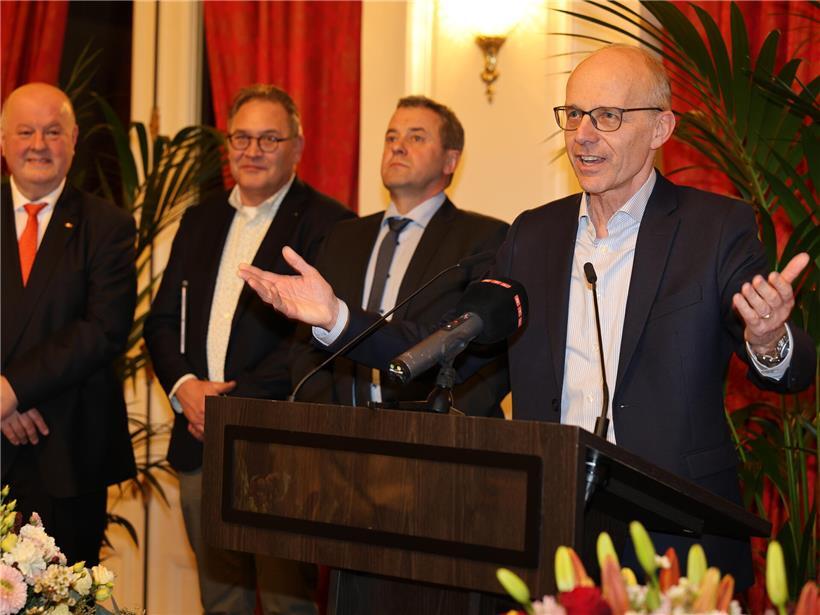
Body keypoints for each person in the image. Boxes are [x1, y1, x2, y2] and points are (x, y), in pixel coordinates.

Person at [237, 46, 816, 588]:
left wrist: (768, 339)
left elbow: (790, 372)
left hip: (678, 527)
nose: (583, 136)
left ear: (661, 128)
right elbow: (441, 344)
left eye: (608, 116)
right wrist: (336, 317)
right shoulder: (533, 234)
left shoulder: (716, 228)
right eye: (574, 114)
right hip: (554, 522)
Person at [143, 85, 353, 615]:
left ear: (297, 148)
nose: (253, 150)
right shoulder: (199, 219)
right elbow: (163, 321)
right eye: (242, 137)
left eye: (269, 138)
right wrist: (185, 388)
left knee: (288, 603)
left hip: (277, 441)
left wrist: (228, 405)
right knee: (220, 600)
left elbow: (312, 344)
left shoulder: (331, 224)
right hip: (197, 436)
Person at [292, 96, 509, 415]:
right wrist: (331, 417)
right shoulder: (342, 236)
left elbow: (489, 356)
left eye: (416, 137)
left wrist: (443, 422)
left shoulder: (485, 239)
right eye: (391, 137)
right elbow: (304, 344)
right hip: (340, 434)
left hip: (436, 438)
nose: (398, 146)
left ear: (451, 161)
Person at [0, 83, 137, 565]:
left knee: (64, 596)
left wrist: (12, 389)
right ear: (2, 141)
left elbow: (103, 329)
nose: (39, 144)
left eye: (53, 131)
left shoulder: (108, 225)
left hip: (67, 450)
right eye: (25, 131)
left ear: (74, 138)